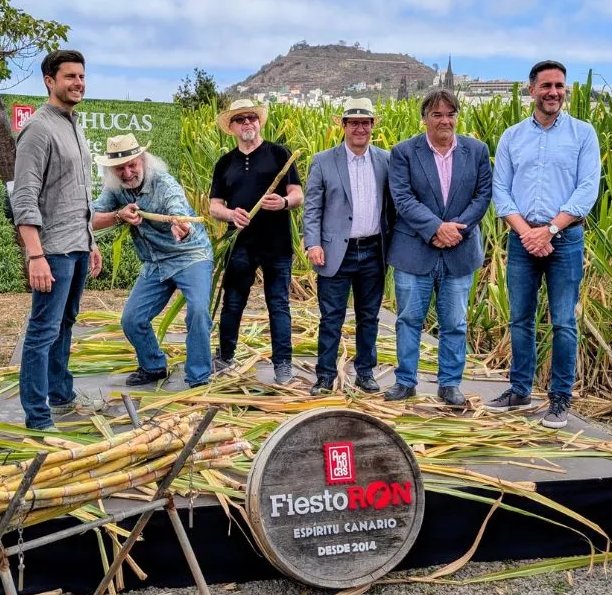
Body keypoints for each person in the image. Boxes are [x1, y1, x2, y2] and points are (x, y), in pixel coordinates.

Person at [490, 60, 600, 428]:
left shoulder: (584, 134)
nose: (554, 92)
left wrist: (549, 230)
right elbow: (500, 191)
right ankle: (520, 389)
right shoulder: (512, 136)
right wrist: (527, 233)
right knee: (520, 318)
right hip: (523, 240)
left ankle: (559, 399)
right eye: (546, 86)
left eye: (559, 86)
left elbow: (587, 190)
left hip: (564, 239)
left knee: (564, 322)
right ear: (532, 89)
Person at [8, 50, 103, 431]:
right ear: (50, 81)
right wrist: (35, 256)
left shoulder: (74, 126)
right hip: (54, 251)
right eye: (70, 77)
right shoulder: (39, 129)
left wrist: (92, 241)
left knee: (65, 324)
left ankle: (61, 397)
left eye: (81, 76)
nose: (78, 83)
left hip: (77, 245)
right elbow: (25, 197)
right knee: (42, 331)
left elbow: (76, 195)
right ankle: (37, 415)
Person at [384, 90, 492, 406]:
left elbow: (483, 195)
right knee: (408, 319)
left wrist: (456, 229)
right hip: (415, 250)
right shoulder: (404, 152)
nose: (445, 120)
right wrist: (435, 228)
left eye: (450, 114)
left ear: (457, 116)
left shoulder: (477, 151)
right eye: (437, 115)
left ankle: (449, 385)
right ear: (425, 118)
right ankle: (405, 381)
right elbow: (402, 197)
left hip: (459, 249)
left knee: (455, 323)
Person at [90, 134, 214, 388]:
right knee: (132, 319)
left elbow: (177, 210)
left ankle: (199, 377)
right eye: (120, 168)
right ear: (112, 171)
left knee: (199, 311)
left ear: (143, 160)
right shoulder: (116, 190)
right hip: (156, 261)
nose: (127, 172)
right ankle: (153, 366)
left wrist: (181, 226)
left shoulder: (164, 184)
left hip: (189, 254)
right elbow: (90, 217)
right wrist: (118, 215)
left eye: (132, 165)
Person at [208, 99, 303, 384]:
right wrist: (230, 214)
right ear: (233, 127)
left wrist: (284, 202)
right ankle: (225, 356)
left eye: (251, 118)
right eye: (240, 120)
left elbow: (298, 194)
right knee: (233, 302)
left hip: (276, 243)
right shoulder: (225, 163)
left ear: (259, 122)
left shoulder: (279, 154)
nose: (247, 123)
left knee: (278, 303)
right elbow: (214, 206)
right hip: (240, 244)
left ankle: (283, 364)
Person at [303, 98, 392, 395]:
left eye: (365, 123)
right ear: (343, 126)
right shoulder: (323, 161)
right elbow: (312, 208)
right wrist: (312, 243)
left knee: (369, 317)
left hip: (372, 251)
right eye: (353, 123)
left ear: (373, 126)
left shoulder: (385, 160)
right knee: (331, 318)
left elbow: (392, 206)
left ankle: (365, 372)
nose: (360, 128)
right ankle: (325, 376)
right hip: (334, 253)